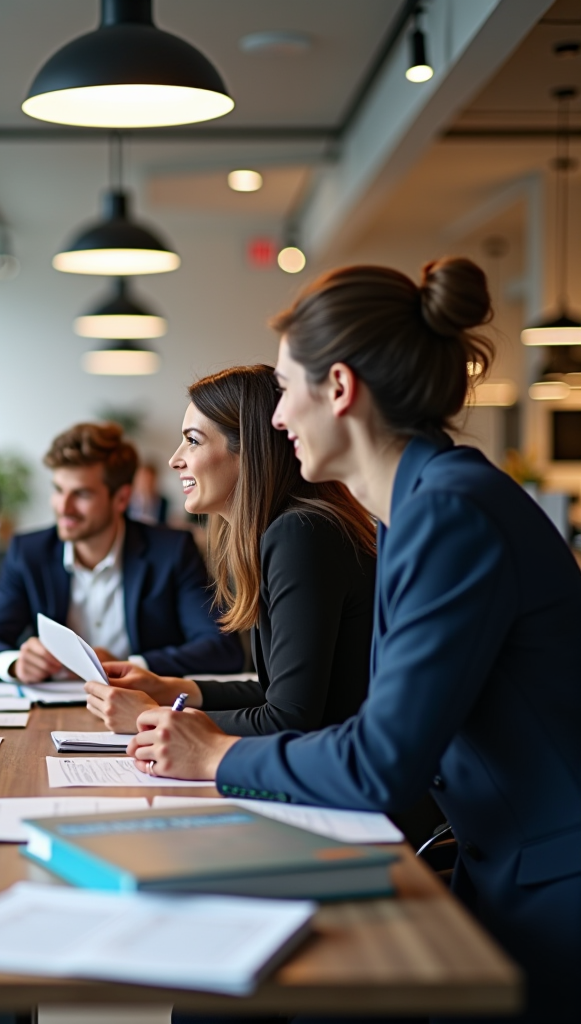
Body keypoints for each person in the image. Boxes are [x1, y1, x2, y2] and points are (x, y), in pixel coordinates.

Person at [127, 259, 581, 1022]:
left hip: (550, 890)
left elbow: (379, 761)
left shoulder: (448, 513)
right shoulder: (416, 509)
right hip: (496, 865)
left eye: (286, 390)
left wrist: (216, 754)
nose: (276, 420)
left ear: (338, 389)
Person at [85, 365, 376, 741]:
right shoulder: (292, 530)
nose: (176, 459)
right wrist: (169, 689)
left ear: (248, 450)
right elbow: (278, 694)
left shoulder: (300, 534)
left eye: (192, 440)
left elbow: (289, 718)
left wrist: (150, 716)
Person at [0, 422, 245, 682]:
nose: (63, 507)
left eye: (81, 494)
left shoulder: (171, 551)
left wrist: (130, 664)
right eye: (58, 489)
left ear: (121, 498)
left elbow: (222, 648)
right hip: (52, 712)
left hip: (143, 710)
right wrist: (14, 663)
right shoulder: (29, 552)